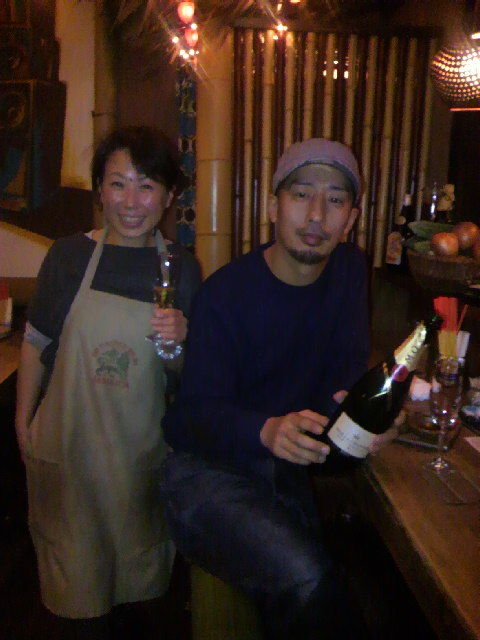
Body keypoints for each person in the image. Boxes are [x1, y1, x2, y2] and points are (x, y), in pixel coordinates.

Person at [160, 138, 397, 639]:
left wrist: (370, 414)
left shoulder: (349, 271)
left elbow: (343, 374)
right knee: (311, 581)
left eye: (335, 200)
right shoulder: (225, 295)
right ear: (273, 207)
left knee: (357, 572)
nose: (316, 215)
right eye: (301, 194)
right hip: (206, 476)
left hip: (283, 472)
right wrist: (264, 430)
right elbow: (187, 418)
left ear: (351, 219)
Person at [15, 126, 201, 638]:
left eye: (147, 186)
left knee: (137, 599)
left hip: (137, 461)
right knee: (74, 595)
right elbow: (35, 341)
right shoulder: (68, 256)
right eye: (118, 183)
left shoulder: (180, 269)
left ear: (169, 195)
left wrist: (179, 342)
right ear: (99, 189)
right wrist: (23, 422)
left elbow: (185, 378)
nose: (131, 202)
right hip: (68, 450)